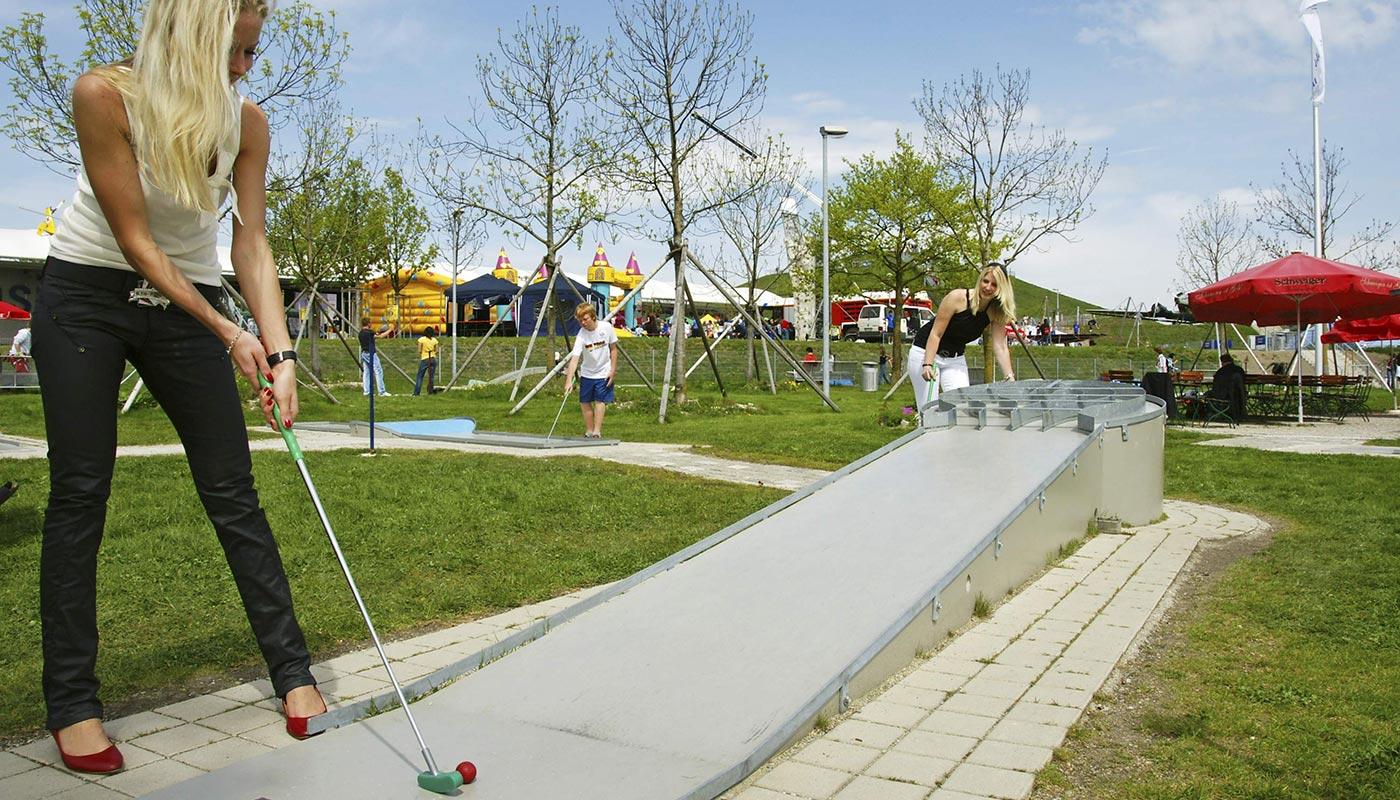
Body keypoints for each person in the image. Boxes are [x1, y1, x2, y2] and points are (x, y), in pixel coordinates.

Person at [30, 0, 325, 774]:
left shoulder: (248, 124)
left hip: (188, 299)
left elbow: (251, 242)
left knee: (234, 489)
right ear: (185, 40)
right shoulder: (103, 95)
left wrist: (283, 353)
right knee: (81, 490)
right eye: (231, 51)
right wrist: (230, 332)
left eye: (251, 54)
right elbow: (135, 241)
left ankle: (292, 673)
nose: (240, 69)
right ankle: (73, 703)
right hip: (90, 296)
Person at [911, 263, 1018, 412]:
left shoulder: (996, 310)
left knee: (960, 407)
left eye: (994, 284)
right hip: (927, 351)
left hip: (955, 357)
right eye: (985, 281)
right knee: (930, 409)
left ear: (1001, 288)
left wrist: (1009, 378)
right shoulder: (957, 297)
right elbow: (936, 334)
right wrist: (927, 364)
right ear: (980, 280)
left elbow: (1000, 346)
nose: (988, 287)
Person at [562, 302, 618, 439]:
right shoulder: (581, 334)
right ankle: (589, 429)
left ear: (593, 317)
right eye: (580, 320)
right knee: (584, 402)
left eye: (585, 319)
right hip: (587, 373)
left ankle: (597, 432)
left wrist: (613, 370)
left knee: (600, 401)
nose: (583, 323)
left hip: (603, 372)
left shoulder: (606, 328)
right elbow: (575, 358)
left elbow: (613, 349)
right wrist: (568, 381)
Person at [358, 318, 391, 396]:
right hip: (371, 353)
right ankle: (382, 391)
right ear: (368, 324)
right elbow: (381, 336)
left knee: (366, 372)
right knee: (378, 371)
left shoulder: (360, 333)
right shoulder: (369, 332)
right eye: (370, 323)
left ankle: (366, 391)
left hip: (364, 353)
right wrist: (390, 330)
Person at [413, 326, 439, 395]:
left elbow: (419, 350)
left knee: (420, 376)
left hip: (425, 358)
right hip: (433, 358)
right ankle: (430, 391)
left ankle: (416, 392)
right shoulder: (434, 340)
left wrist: (423, 353)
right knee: (431, 376)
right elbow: (437, 351)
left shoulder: (421, 339)